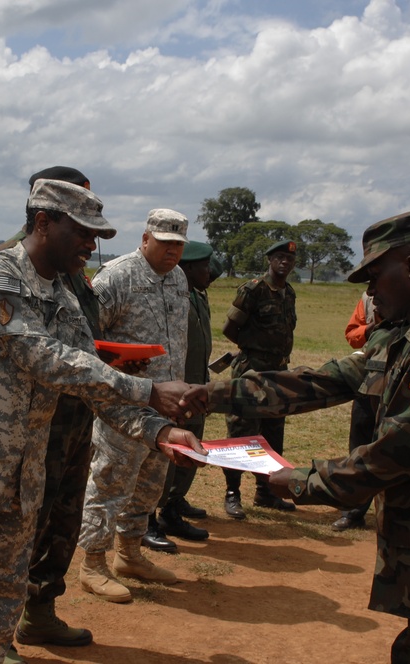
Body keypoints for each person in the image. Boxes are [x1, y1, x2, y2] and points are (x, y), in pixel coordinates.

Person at [184, 210, 410, 663]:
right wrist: (212, 394)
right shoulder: (406, 337)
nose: (369, 291)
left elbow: (392, 455)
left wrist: (297, 481)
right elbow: (323, 380)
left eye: (375, 276)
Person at [0, 179, 205, 664]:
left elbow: (89, 382)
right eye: (82, 233)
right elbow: (42, 355)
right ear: (42, 222)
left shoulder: (65, 297)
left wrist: (158, 429)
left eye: (95, 236)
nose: (91, 246)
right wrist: (150, 390)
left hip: (21, 482)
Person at [0, 167, 99, 663]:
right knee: (20, 527)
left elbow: (78, 344)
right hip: (34, 423)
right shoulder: (4, 268)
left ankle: (40, 612)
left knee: (64, 519)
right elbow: (27, 351)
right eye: (78, 216)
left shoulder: (71, 269)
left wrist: (109, 365)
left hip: (77, 418)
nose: (89, 234)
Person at [78, 208, 191, 602]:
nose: (172, 251)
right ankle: (92, 563)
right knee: (110, 481)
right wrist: (118, 360)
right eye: (165, 243)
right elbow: (84, 334)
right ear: (145, 239)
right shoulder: (118, 276)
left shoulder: (179, 279)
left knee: (149, 483)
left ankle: (129, 554)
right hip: (123, 402)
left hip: (165, 406)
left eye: (178, 244)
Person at [148, 242, 221, 547]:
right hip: (173, 390)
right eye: (204, 267)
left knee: (191, 451)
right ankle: (147, 516)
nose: (210, 272)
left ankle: (174, 505)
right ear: (188, 269)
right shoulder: (170, 299)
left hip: (197, 387)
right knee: (164, 456)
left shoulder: (196, 296)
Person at [221, 239, 298, 519]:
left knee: (272, 434)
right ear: (269, 260)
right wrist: (252, 349)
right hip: (251, 371)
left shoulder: (288, 293)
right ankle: (232, 493)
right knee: (242, 434)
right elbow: (230, 328)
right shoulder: (253, 289)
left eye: (289, 259)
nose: (284, 263)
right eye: (279, 257)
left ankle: (266, 492)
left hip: (278, 374)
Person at [331, 291, 377, 532]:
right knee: (359, 447)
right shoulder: (368, 297)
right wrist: (370, 329)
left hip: (405, 383)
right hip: (369, 380)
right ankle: (354, 511)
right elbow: (352, 334)